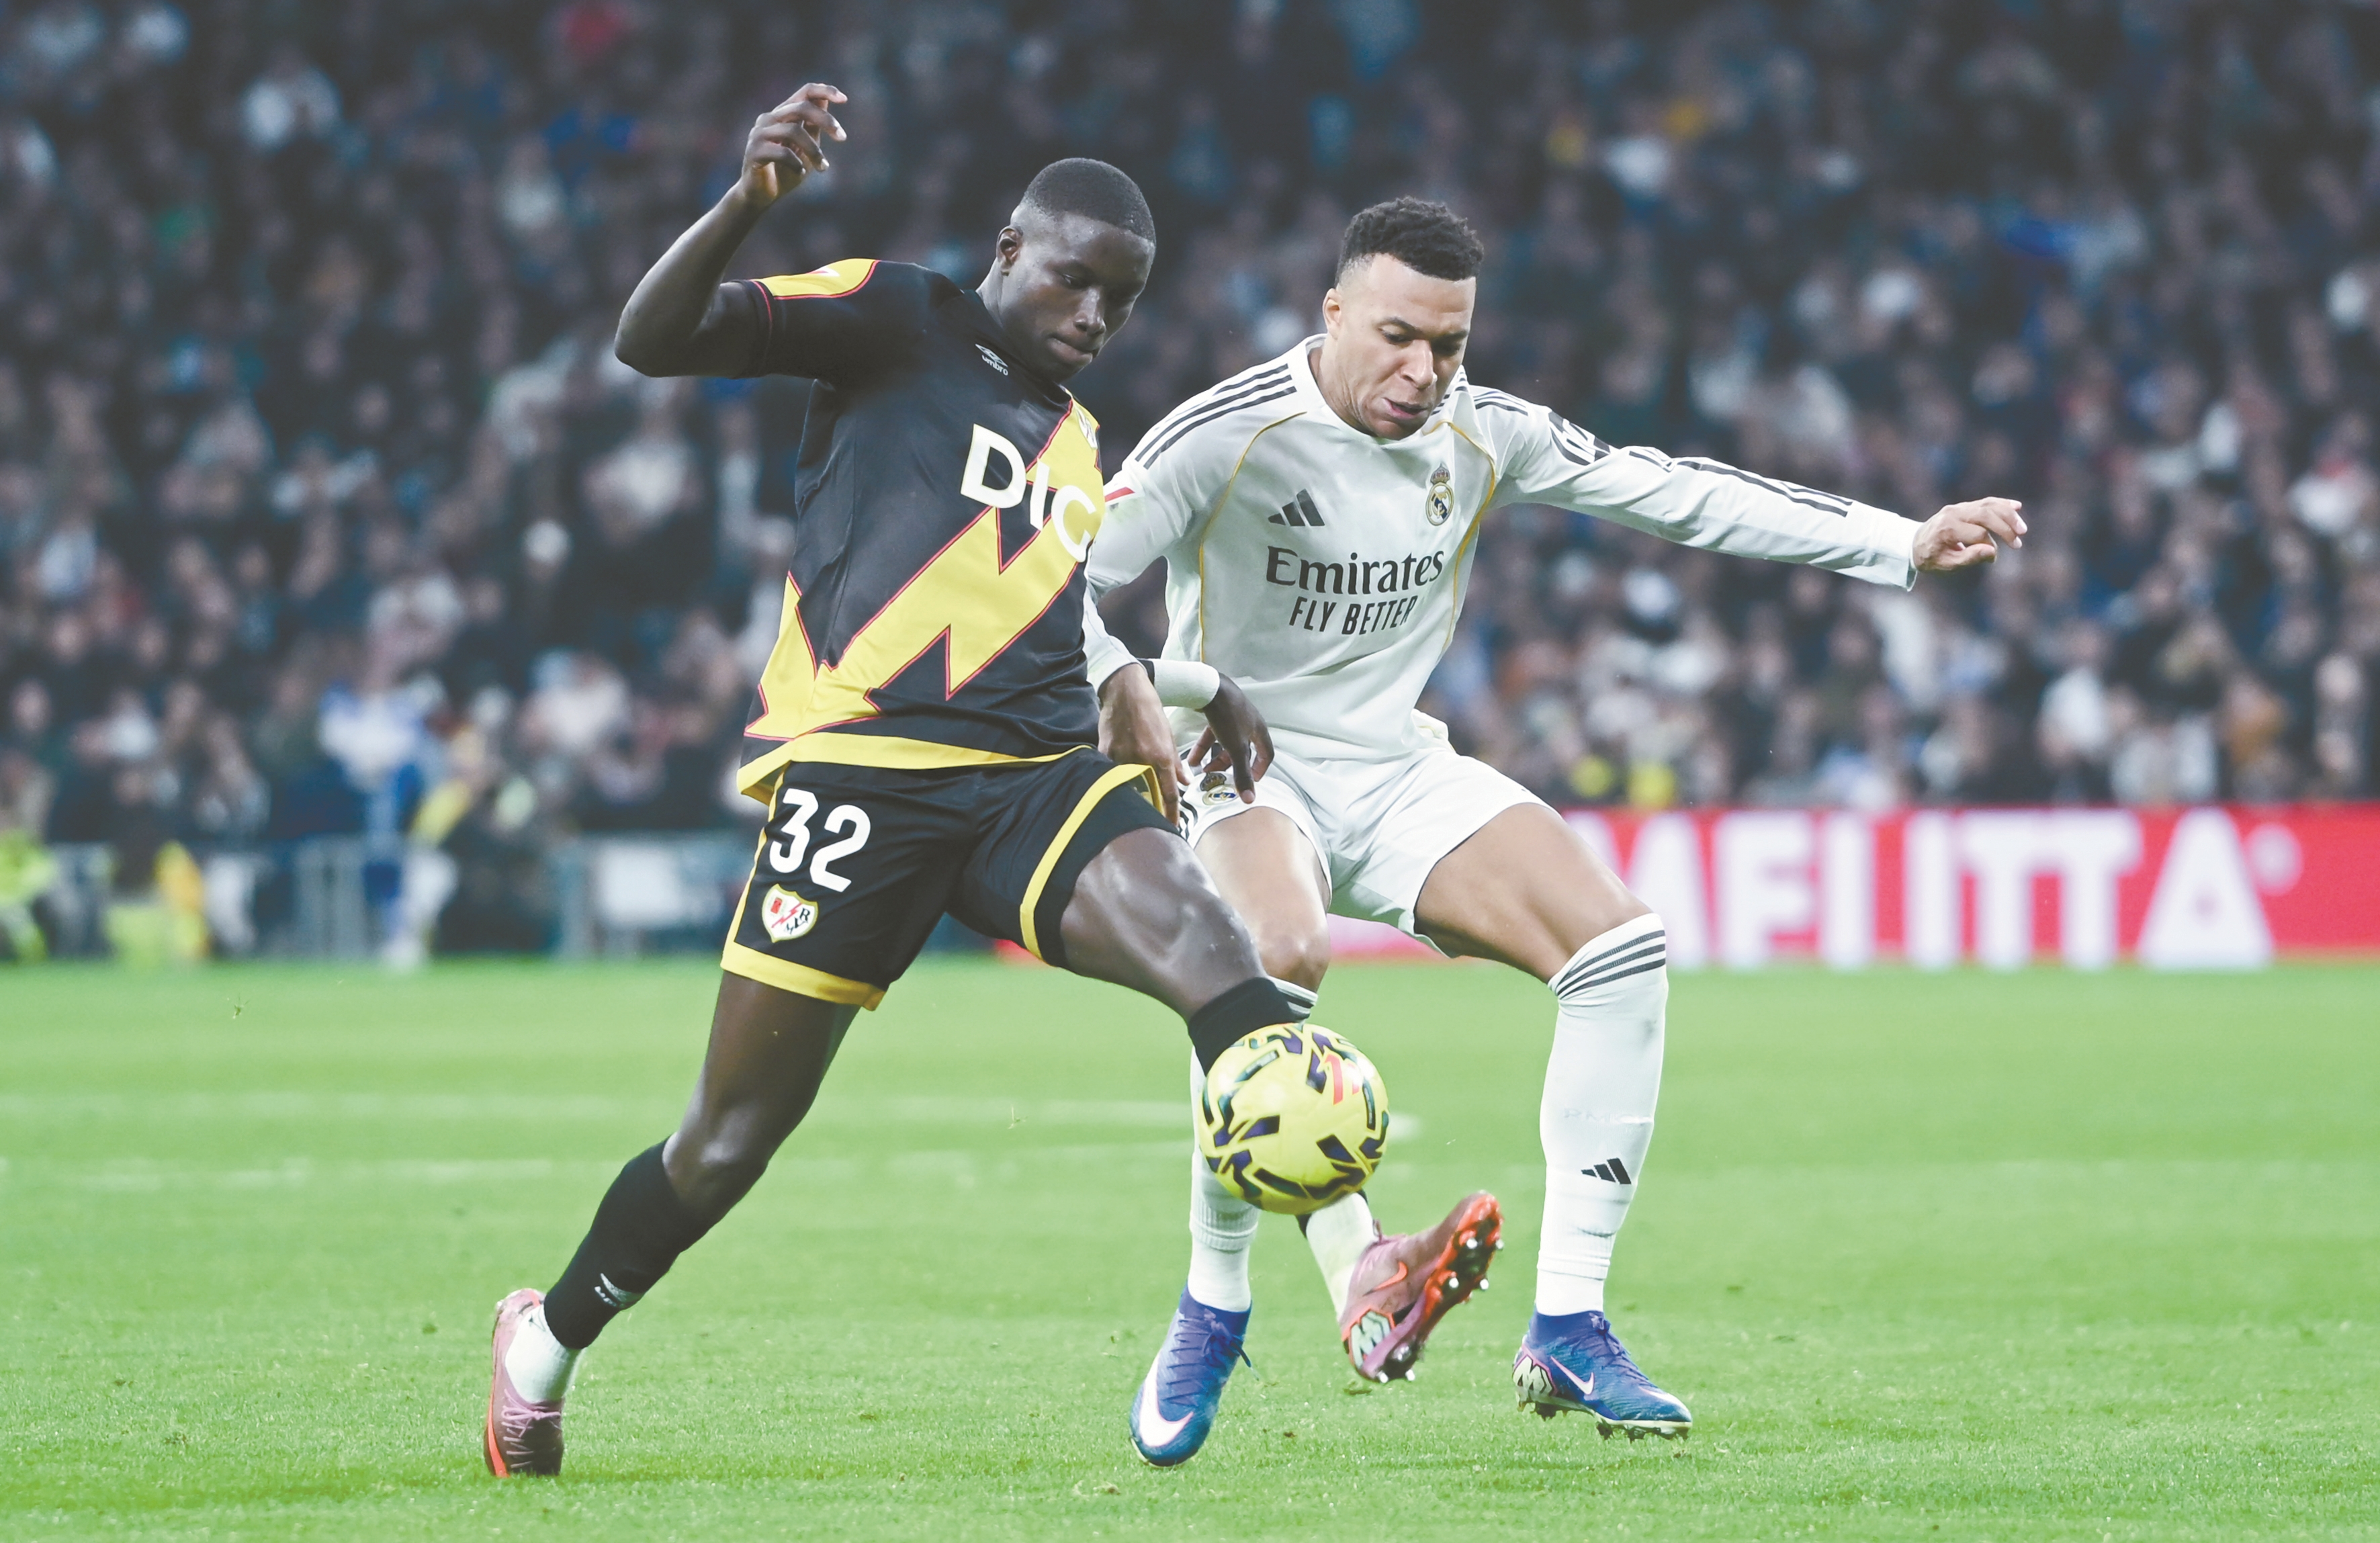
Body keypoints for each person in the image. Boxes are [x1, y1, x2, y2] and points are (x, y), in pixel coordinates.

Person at [1087, 197, 2025, 1461]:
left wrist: (1900, 541)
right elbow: (1055, 583)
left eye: (1451, 345)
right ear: (1334, 313)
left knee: (1622, 949)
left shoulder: (1486, 432)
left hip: (1395, 764)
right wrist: (1137, 680)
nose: (1424, 372)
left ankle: (1569, 1327)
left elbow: (1674, 493)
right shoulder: (1224, 433)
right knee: (1277, 958)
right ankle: (1215, 1300)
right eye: (1398, 337)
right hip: (1243, 764)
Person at [481, 85, 1292, 1479]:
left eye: (1122, 298)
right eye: (1075, 278)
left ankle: (1343, 1259)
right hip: (863, 775)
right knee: (727, 1141)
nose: (1097, 315)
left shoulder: (1078, 443)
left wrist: (1161, 681)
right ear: (1009, 248)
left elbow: (1042, 617)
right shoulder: (902, 314)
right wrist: (745, 203)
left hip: (1030, 783)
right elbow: (651, 339)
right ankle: (544, 1341)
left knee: (1221, 957)